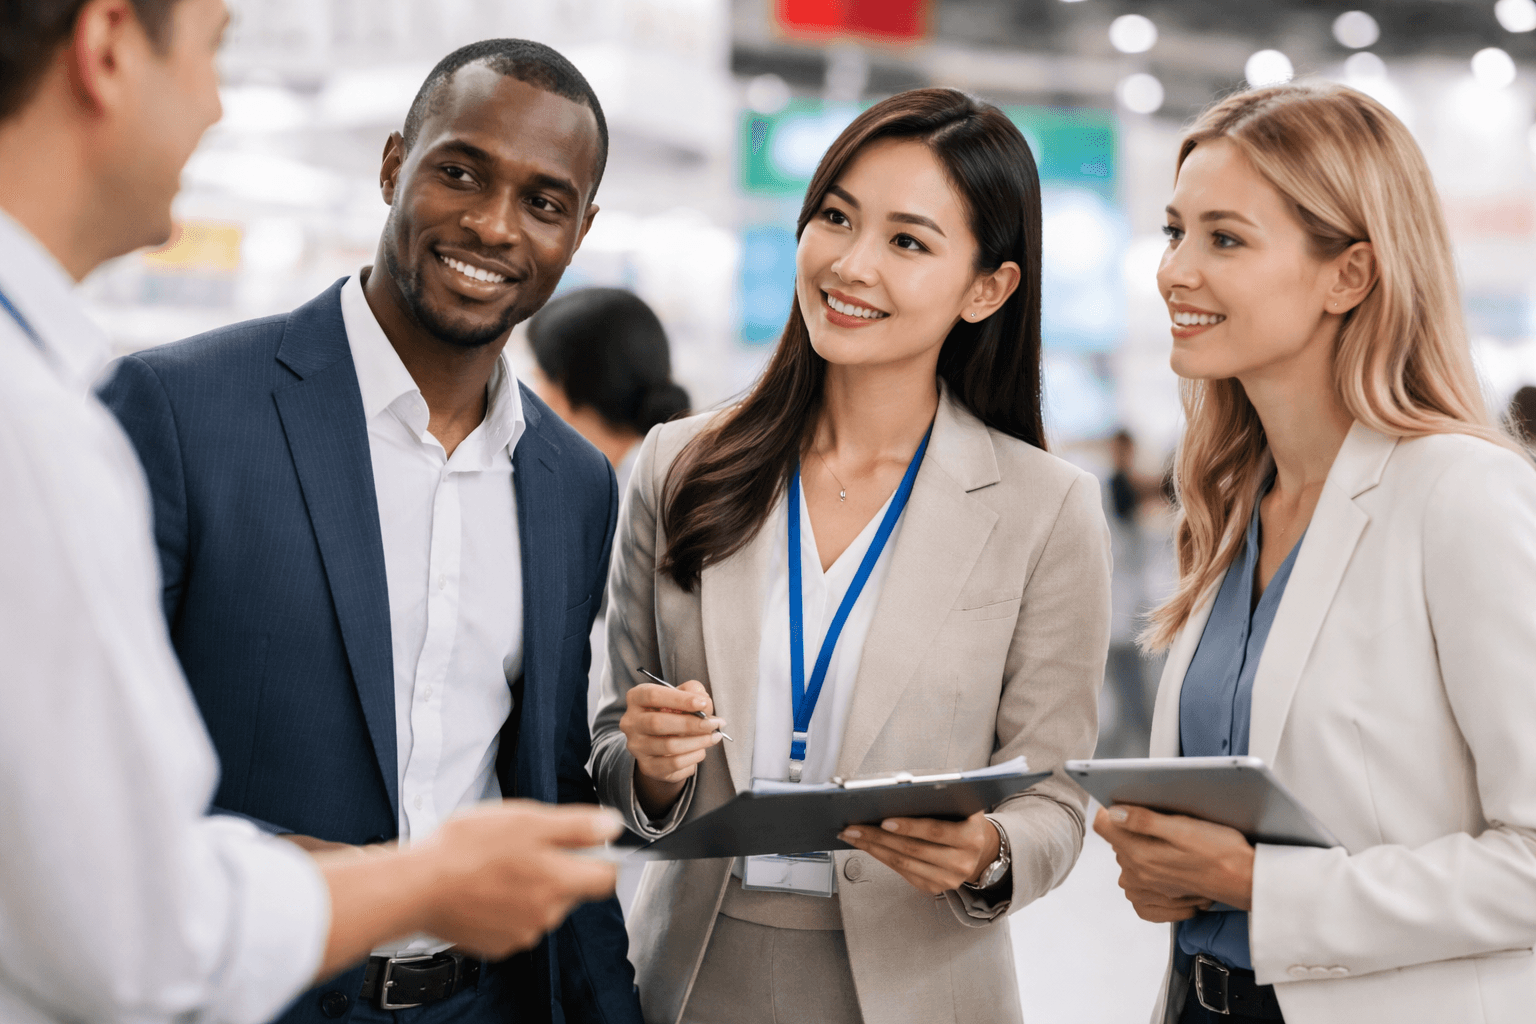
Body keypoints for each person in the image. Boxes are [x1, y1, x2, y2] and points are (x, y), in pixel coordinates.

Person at [0, 4, 624, 1024]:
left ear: (579, 232)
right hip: (244, 994)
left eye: (544, 199)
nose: (494, 224)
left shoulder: (572, 481)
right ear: (393, 167)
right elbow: (90, 796)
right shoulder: (170, 406)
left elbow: (549, 790)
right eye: (460, 171)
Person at [590, 88, 1111, 1024]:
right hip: (691, 973)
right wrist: (650, 767)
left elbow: (1056, 797)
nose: (851, 263)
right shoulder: (679, 465)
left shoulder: (1045, 510)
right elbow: (604, 742)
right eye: (835, 217)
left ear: (987, 288)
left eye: (908, 242)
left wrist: (990, 850)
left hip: (919, 983)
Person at [1093, 83, 1536, 1024]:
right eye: (1175, 232)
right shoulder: (1235, 503)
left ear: (1350, 275)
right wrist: (1166, 870)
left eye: (1225, 239)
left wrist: (1263, 887)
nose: (1175, 270)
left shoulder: (1460, 495)